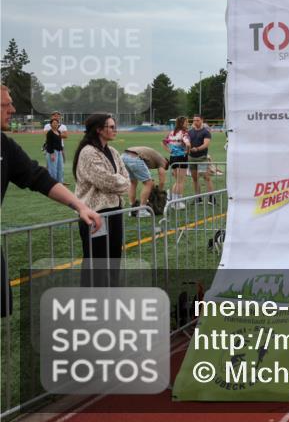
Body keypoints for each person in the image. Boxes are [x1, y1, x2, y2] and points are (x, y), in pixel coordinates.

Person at [1, 86, 102, 317]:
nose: (13, 109)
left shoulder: (4, 145)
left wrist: (80, 206)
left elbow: (39, 178)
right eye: (6, 104)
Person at [72, 113, 129, 282]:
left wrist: (121, 181)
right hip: (94, 214)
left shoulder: (112, 151)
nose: (115, 130)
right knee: (96, 262)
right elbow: (106, 181)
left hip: (114, 211)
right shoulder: (88, 152)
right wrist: (121, 181)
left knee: (113, 259)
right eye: (111, 127)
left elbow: (126, 176)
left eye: (114, 126)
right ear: (98, 130)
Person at [121, 145, 168, 215]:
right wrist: (159, 191)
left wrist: (153, 185)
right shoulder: (163, 161)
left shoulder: (153, 158)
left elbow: (146, 174)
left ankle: (132, 209)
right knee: (148, 183)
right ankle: (142, 210)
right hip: (135, 157)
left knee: (133, 183)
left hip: (123, 157)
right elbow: (162, 181)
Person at [163, 116, 190, 208]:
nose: (188, 124)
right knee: (181, 181)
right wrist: (187, 151)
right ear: (182, 123)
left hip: (173, 158)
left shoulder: (171, 133)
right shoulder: (184, 133)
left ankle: (173, 199)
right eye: (186, 122)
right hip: (181, 157)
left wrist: (169, 150)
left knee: (178, 181)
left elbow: (164, 142)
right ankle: (177, 202)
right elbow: (188, 144)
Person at [187, 115, 213, 201]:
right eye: (194, 120)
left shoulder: (206, 132)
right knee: (195, 179)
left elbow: (206, 144)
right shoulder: (190, 132)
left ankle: (211, 198)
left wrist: (197, 149)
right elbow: (187, 143)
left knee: (206, 178)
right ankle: (198, 198)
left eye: (197, 120)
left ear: (202, 120)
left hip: (201, 158)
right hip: (191, 158)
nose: (195, 122)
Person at [43, 116, 66, 183]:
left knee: (60, 168)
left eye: (57, 123)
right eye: (54, 123)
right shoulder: (50, 133)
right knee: (53, 169)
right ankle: (52, 183)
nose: (55, 124)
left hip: (59, 152)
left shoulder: (58, 132)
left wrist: (62, 151)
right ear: (51, 124)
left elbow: (59, 142)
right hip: (52, 152)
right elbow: (49, 144)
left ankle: (60, 182)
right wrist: (52, 153)